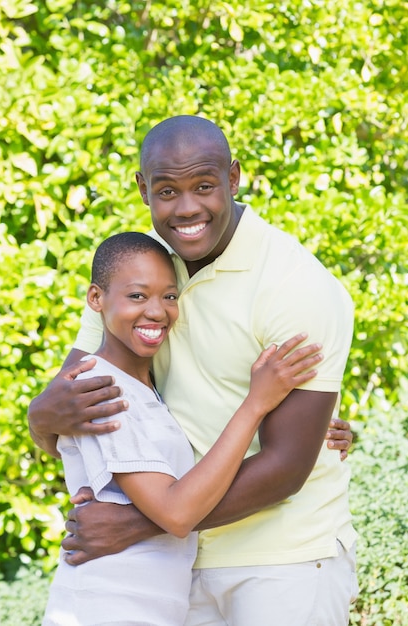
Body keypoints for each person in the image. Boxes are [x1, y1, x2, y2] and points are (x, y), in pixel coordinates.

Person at [29, 115, 357, 625]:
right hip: (173, 574)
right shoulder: (140, 273)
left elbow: (288, 465)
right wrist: (38, 418)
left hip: (283, 562)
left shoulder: (295, 285)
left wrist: (142, 523)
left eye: (204, 186)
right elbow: (69, 411)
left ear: (233, 178)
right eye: (167, 190)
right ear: (143, 189)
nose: (187, 208)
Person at [42, 231, 322, 626]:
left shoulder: (147, 387)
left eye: (169, 296)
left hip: (149, 608)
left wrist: (311, 426)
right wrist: (257, 403)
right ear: (96, 299)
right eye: (137, 296)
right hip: (108, 606)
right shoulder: (101, 390)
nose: (157, 311)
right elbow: (176, 513)